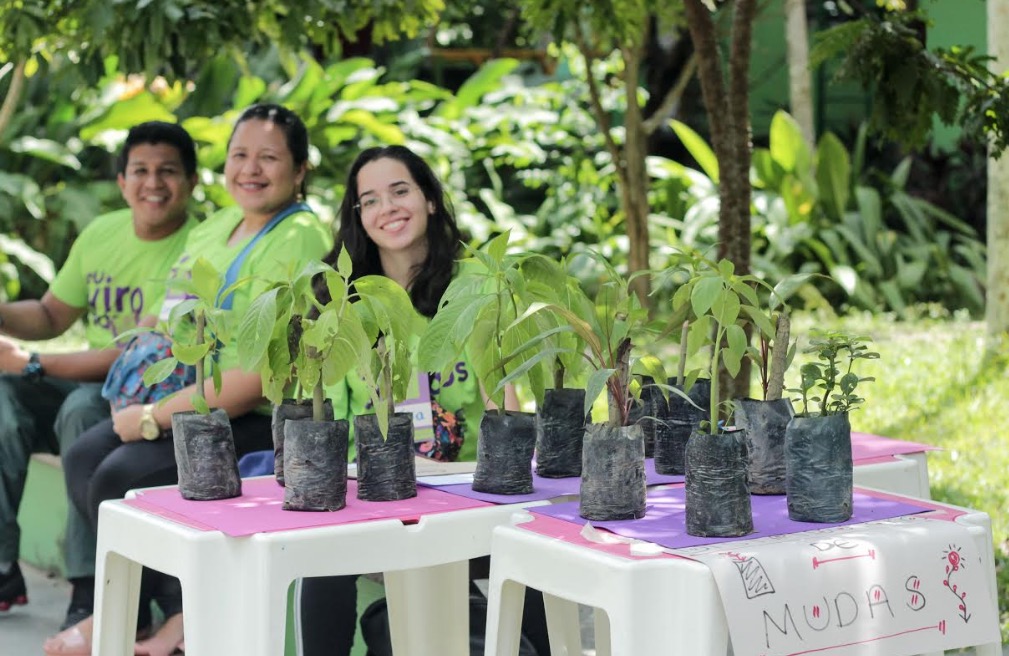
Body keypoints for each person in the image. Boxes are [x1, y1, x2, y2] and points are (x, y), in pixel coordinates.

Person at [47, 104, 332, 656]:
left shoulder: (300, 236)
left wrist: (154, 417)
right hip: (188, 397)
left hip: (247, 415)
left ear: (298, 171)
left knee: (118, 478)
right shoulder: (218, 224)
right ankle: (151, 616)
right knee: (85, 458)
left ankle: (177, 619)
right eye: (240, 156)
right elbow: (163, 317)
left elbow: (256, 374)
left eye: (268, 158)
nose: (250, 169)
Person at [296, 145, 547, 656]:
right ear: (357, 218)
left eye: (400, 191)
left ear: (430, 199)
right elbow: (331, 424)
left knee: (533, 562)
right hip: (372, 497)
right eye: (369, 200)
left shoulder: (478, 288)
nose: (387, 208)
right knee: (317, 566)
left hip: (466, 495)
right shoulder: (338, 300)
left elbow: (505, 405)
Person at [0, 121, 199, 631]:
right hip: (93, 384)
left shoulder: (200, 247)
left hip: (153, 394)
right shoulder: (102, 232)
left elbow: (136, 353)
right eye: (141, 171)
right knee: (2, 397)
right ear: (122, 181)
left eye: (168, 171)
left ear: (193, 181)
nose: (153, 183)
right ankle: (3, 567)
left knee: (82, 408)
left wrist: (31, 364)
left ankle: (95, 589)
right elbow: (50, 315)